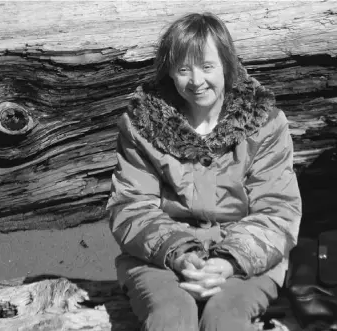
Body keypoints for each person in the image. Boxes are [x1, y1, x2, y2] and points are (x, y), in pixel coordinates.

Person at [106, 12, 302, 331]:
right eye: (184, 69)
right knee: (171, 317)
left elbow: (278, 211)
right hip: (160, 257)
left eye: (207, 67)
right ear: (169, 71)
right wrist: (180, 254)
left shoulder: (266, 124)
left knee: (225, 319)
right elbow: (129, 207)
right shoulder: (141, 125)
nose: (197, 81)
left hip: (247, 258)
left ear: (228, 64)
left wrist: (228, 261)